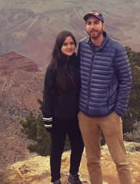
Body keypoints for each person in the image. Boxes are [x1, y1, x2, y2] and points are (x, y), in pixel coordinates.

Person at [77, 11, 132, 184]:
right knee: (92, 161)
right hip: (85, 115)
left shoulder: (116, 48)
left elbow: (126, 79)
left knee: (120, 161)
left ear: (103, 25)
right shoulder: (82, 46)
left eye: (95, 23)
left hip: (109, 115)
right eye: (89, 23)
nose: (92, 26)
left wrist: (118, 111)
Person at [42, 30, 84, 184]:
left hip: (76, 117)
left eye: (72, 43)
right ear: (59, 46)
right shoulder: (52, 68)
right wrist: (47, 118)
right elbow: (47, 94)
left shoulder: (78, 64)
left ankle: (73, 175)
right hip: (58, 117)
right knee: (57, 150)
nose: (69, 46)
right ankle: (55, 180)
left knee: (78, 146)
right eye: (65, 44)